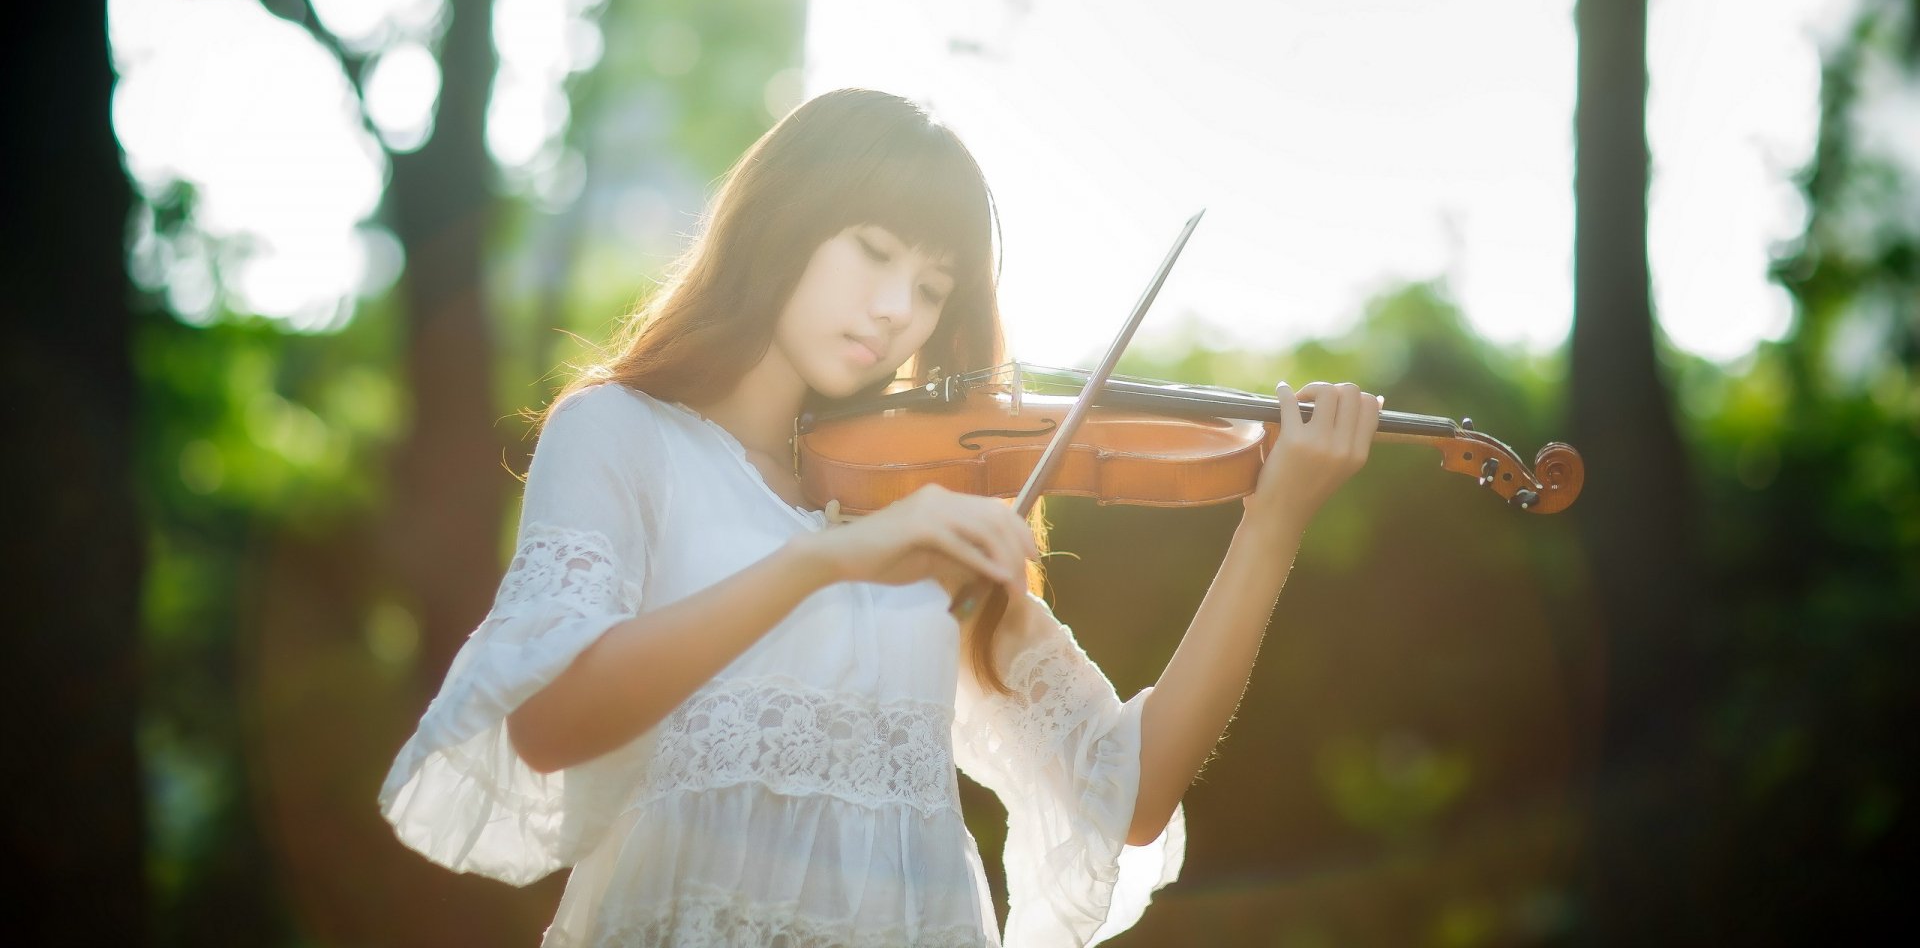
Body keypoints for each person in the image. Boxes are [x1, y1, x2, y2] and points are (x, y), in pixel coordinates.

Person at [378, 88, 1381, 947]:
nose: (900, 307)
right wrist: (824, 561)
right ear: (782, 218)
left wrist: (1272, 527)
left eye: (933, 287)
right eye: (873, 251)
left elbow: (1130, 793)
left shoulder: (912, 502)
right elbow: (549, 723)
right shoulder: (620, 434)